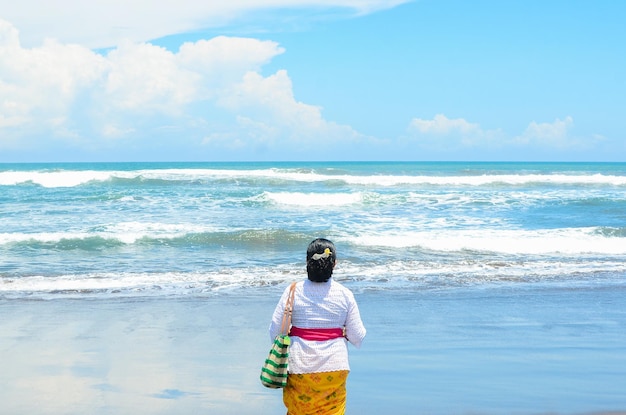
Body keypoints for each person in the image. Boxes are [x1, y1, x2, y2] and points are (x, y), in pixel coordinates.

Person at [269, 238, 367, 415]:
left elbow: (275, 331)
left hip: (300, 365)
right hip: (335, 366)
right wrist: (342, 332)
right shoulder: (345, 294)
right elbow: (358, 336)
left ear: (307, 262)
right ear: (334, 264)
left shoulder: (293, 291)